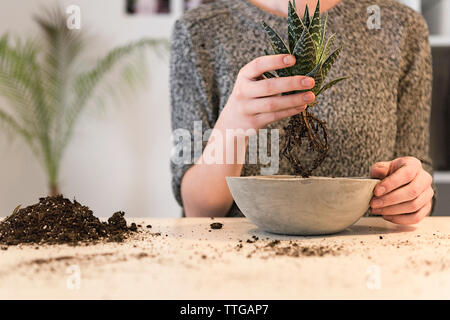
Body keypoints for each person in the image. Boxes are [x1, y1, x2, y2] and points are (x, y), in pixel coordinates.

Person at [169, 0, 436, 224]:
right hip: (242, 264)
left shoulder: (400, 26)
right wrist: (232, 126)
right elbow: (199, 212)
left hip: (363, 261)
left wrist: (413, 192)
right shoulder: (198, 30)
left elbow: (416, 170)